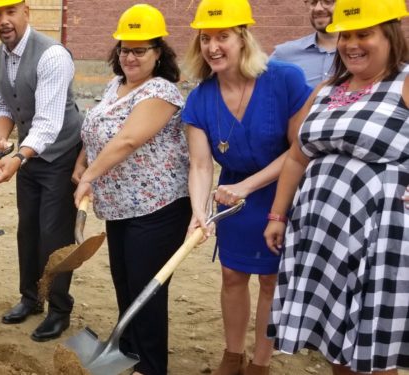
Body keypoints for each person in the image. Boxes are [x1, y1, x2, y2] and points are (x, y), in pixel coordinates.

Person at [264, 0, 409, 373]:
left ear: (391, 36)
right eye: (346, 35)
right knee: (334, 339)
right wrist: (278, 214)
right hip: (321, 234)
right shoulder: (330, 88)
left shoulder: (404, 83)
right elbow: (297, 156)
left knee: (371, 345)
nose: (351, 44)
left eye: (364, 34)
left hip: (378, 237)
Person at [182, 0, 312, 373]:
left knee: (271, 279)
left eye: (223, 36)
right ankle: (233, 354)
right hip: (231, 198)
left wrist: (248, 186)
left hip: (281, 192)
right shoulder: (200, 97)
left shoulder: (284, 79)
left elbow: (298, 151)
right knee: (232, 275)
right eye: (206, 38)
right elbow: (201, 164)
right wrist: (199, 211)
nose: (213, 47)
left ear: (243, 37)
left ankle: (260, 362)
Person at [71, 5, 190, 373]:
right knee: (124, 281)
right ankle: (127, 350)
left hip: (157, 207)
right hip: (119, 205)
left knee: (146, 290)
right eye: (124, 48)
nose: (130, 56)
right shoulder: (115, 85)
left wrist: (89, 176)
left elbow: (127, 140)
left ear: (158, 52)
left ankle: (151, 366)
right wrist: (81, 161)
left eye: (140, 50)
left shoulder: (161, 91)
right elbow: (98, 127)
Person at [0, 0, 82, 342]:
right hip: (27, 155)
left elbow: (48, 122)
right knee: (28, 231)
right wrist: (0, 136)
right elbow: (1, 104)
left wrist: (18, 158)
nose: (4, 21)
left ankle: (59, 309)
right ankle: (31, 297)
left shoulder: (52, 56)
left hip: (61, 155)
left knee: (55, 234)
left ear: (27, 12)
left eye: (11, 12)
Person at [270, 0, 338, 87]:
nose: (318, 8)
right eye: (313, 2)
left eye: (327, 2)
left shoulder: (357, 52)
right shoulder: (285, 53)